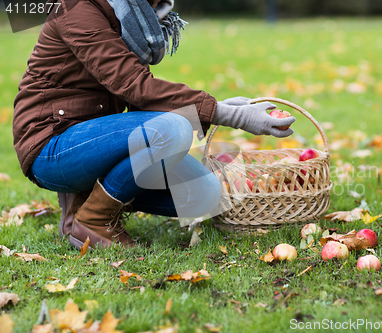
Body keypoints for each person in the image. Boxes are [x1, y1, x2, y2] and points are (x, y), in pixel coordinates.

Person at [12, 0, 295, 249]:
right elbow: (134, 85)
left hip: (99, 138)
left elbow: (141, 102)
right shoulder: (77, 6)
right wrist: (228, 115)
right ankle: (92, 219)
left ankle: (88, 197)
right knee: (175, 128)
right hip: (52, 144)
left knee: (205, 192)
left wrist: (221, 107)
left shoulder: (137, 13)